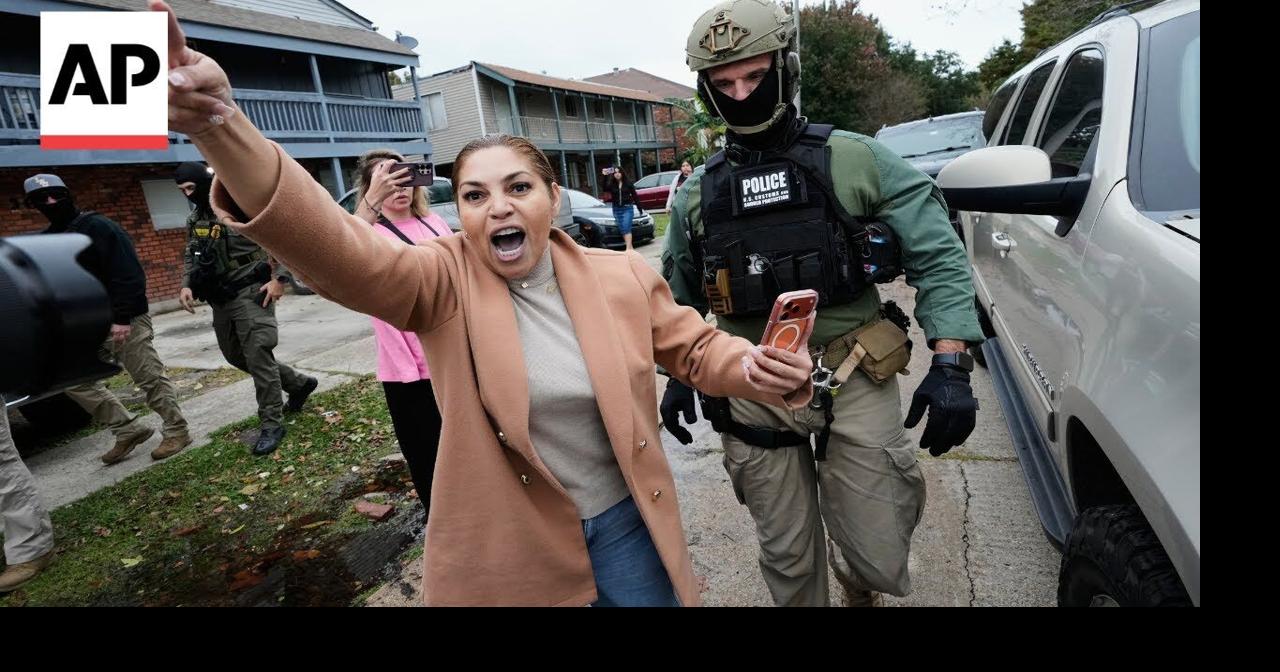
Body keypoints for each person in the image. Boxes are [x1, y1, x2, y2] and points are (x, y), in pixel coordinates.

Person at [154, 0, 813, 605]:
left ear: (552, 200)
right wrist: (222, 125)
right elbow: (338, 253)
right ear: (460, 212)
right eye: (473, 194)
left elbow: (694, 348)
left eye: (518, 186)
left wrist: (750, 367)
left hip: (625, 524)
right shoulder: (439, 281)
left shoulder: (619, 277)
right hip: (514, 545)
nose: (497, 205)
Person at [661, 0, 985, 607]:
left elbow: (938, 254)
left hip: (852, 370)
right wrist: (676, 375)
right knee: (786, 551)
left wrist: (951, 362)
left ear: (784, 68)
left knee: (876, 548)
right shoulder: (698, 195)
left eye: (755, 77)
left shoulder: (856, 158)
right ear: (706, 91)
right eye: (723, 84)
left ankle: (858, 583)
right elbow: (672, 297)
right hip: (751, 383)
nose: (741, 94)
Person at [24, 173, 191, 464]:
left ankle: (177, 430)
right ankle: (127, 428)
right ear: (33, 205)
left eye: (56, 195)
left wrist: (122, 318)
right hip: (83, 325)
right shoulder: (49, 240)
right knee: (73, 380)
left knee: (148, 376)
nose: (50, 202)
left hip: (124, 320)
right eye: (41, 199)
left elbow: (128, 274)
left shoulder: (98, 227)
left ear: (68, 195)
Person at [174, 162, 317, 456]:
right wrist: (186, 283)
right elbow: (193, 251)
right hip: (221, 295)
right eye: (182, 191)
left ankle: (272, 424)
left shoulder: (239, 207)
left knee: (258, 355)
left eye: (191, 188)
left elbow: (284, 238)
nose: (188, 195)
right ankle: (299, 384)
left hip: (252, 290)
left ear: (204, 183)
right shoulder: (196, 217)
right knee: (234, 355)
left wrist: (280, 279)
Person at [351, 148, 452, 518]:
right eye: (387, 180)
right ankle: (442, 523)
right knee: (425, 452)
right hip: (405, 368)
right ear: (371, 186)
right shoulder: (369, 232)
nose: (400, 188)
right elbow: (344, 251)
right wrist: (370, 202)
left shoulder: (435, 222)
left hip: (449, 354)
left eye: (405, 178)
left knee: (465, 443)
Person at [602, 168, 642, 251]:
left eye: (619, 172)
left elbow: (635, 196)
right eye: (615, 173)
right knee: (623, 229)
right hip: (616, 209)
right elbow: (605, 188)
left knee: (626, 227)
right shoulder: (612, 184)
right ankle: (630, 248)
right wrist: (605, 176)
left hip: (627, 208)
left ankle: (628, 249)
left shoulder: (628, 183)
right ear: (613, 175)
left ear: (622, 173)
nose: (617, 174)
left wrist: (639, 208)